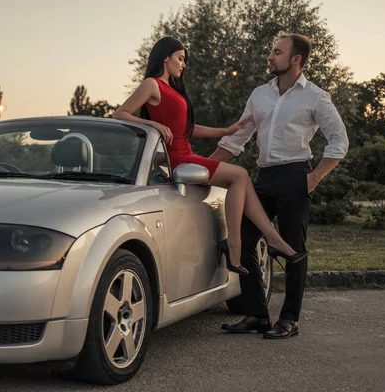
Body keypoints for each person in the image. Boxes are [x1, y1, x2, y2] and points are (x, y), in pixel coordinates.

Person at [112, 36, 305, 277]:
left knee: (241, 179)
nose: (183, 65)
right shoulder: (152, 85)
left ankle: (269, 240)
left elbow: (187, 129)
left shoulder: (171, 89)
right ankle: (239, 244)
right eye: (180, 59)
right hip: (178, 159)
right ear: (165, 57)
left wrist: (225, 131)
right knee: (240, 175)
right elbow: (120, 114)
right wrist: (153, 124)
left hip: (186, 153)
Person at [213, 32, 349, 339]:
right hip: (262, 178)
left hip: (295, 177)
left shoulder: (315, 96)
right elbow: (236, 138)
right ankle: (257, 314)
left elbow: (340, 141)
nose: (270, 57)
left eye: (277, 52)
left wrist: (314, 178)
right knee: (244, 240)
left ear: (296, 59)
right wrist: (206, 167)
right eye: (271, 51)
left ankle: (290, 319)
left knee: (293, 249)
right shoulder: (260, 94)